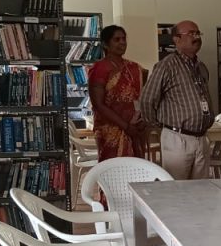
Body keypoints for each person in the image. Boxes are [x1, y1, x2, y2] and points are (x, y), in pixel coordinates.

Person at [138, 20, 213, 180]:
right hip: (177, 138)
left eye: (198, 33)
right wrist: (159, 125)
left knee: (202, 188)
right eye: (191, 33)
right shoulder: (166, 66)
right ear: (176, 39)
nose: (196, 37)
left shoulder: (201, 67)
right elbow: (147, 100)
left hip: (202, 137)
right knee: (177, 188)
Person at [88, 24, 145, 161]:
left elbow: (141, 96)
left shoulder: (133, 67)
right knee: (114, 168)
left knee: (136, 168)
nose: (122, 43)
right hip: (111, 130)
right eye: (117, 39)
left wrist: (141, 120)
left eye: (124, 39)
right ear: (105, 44)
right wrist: (125, 126)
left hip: (135, 127)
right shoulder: (100, 69)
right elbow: (98, 105)